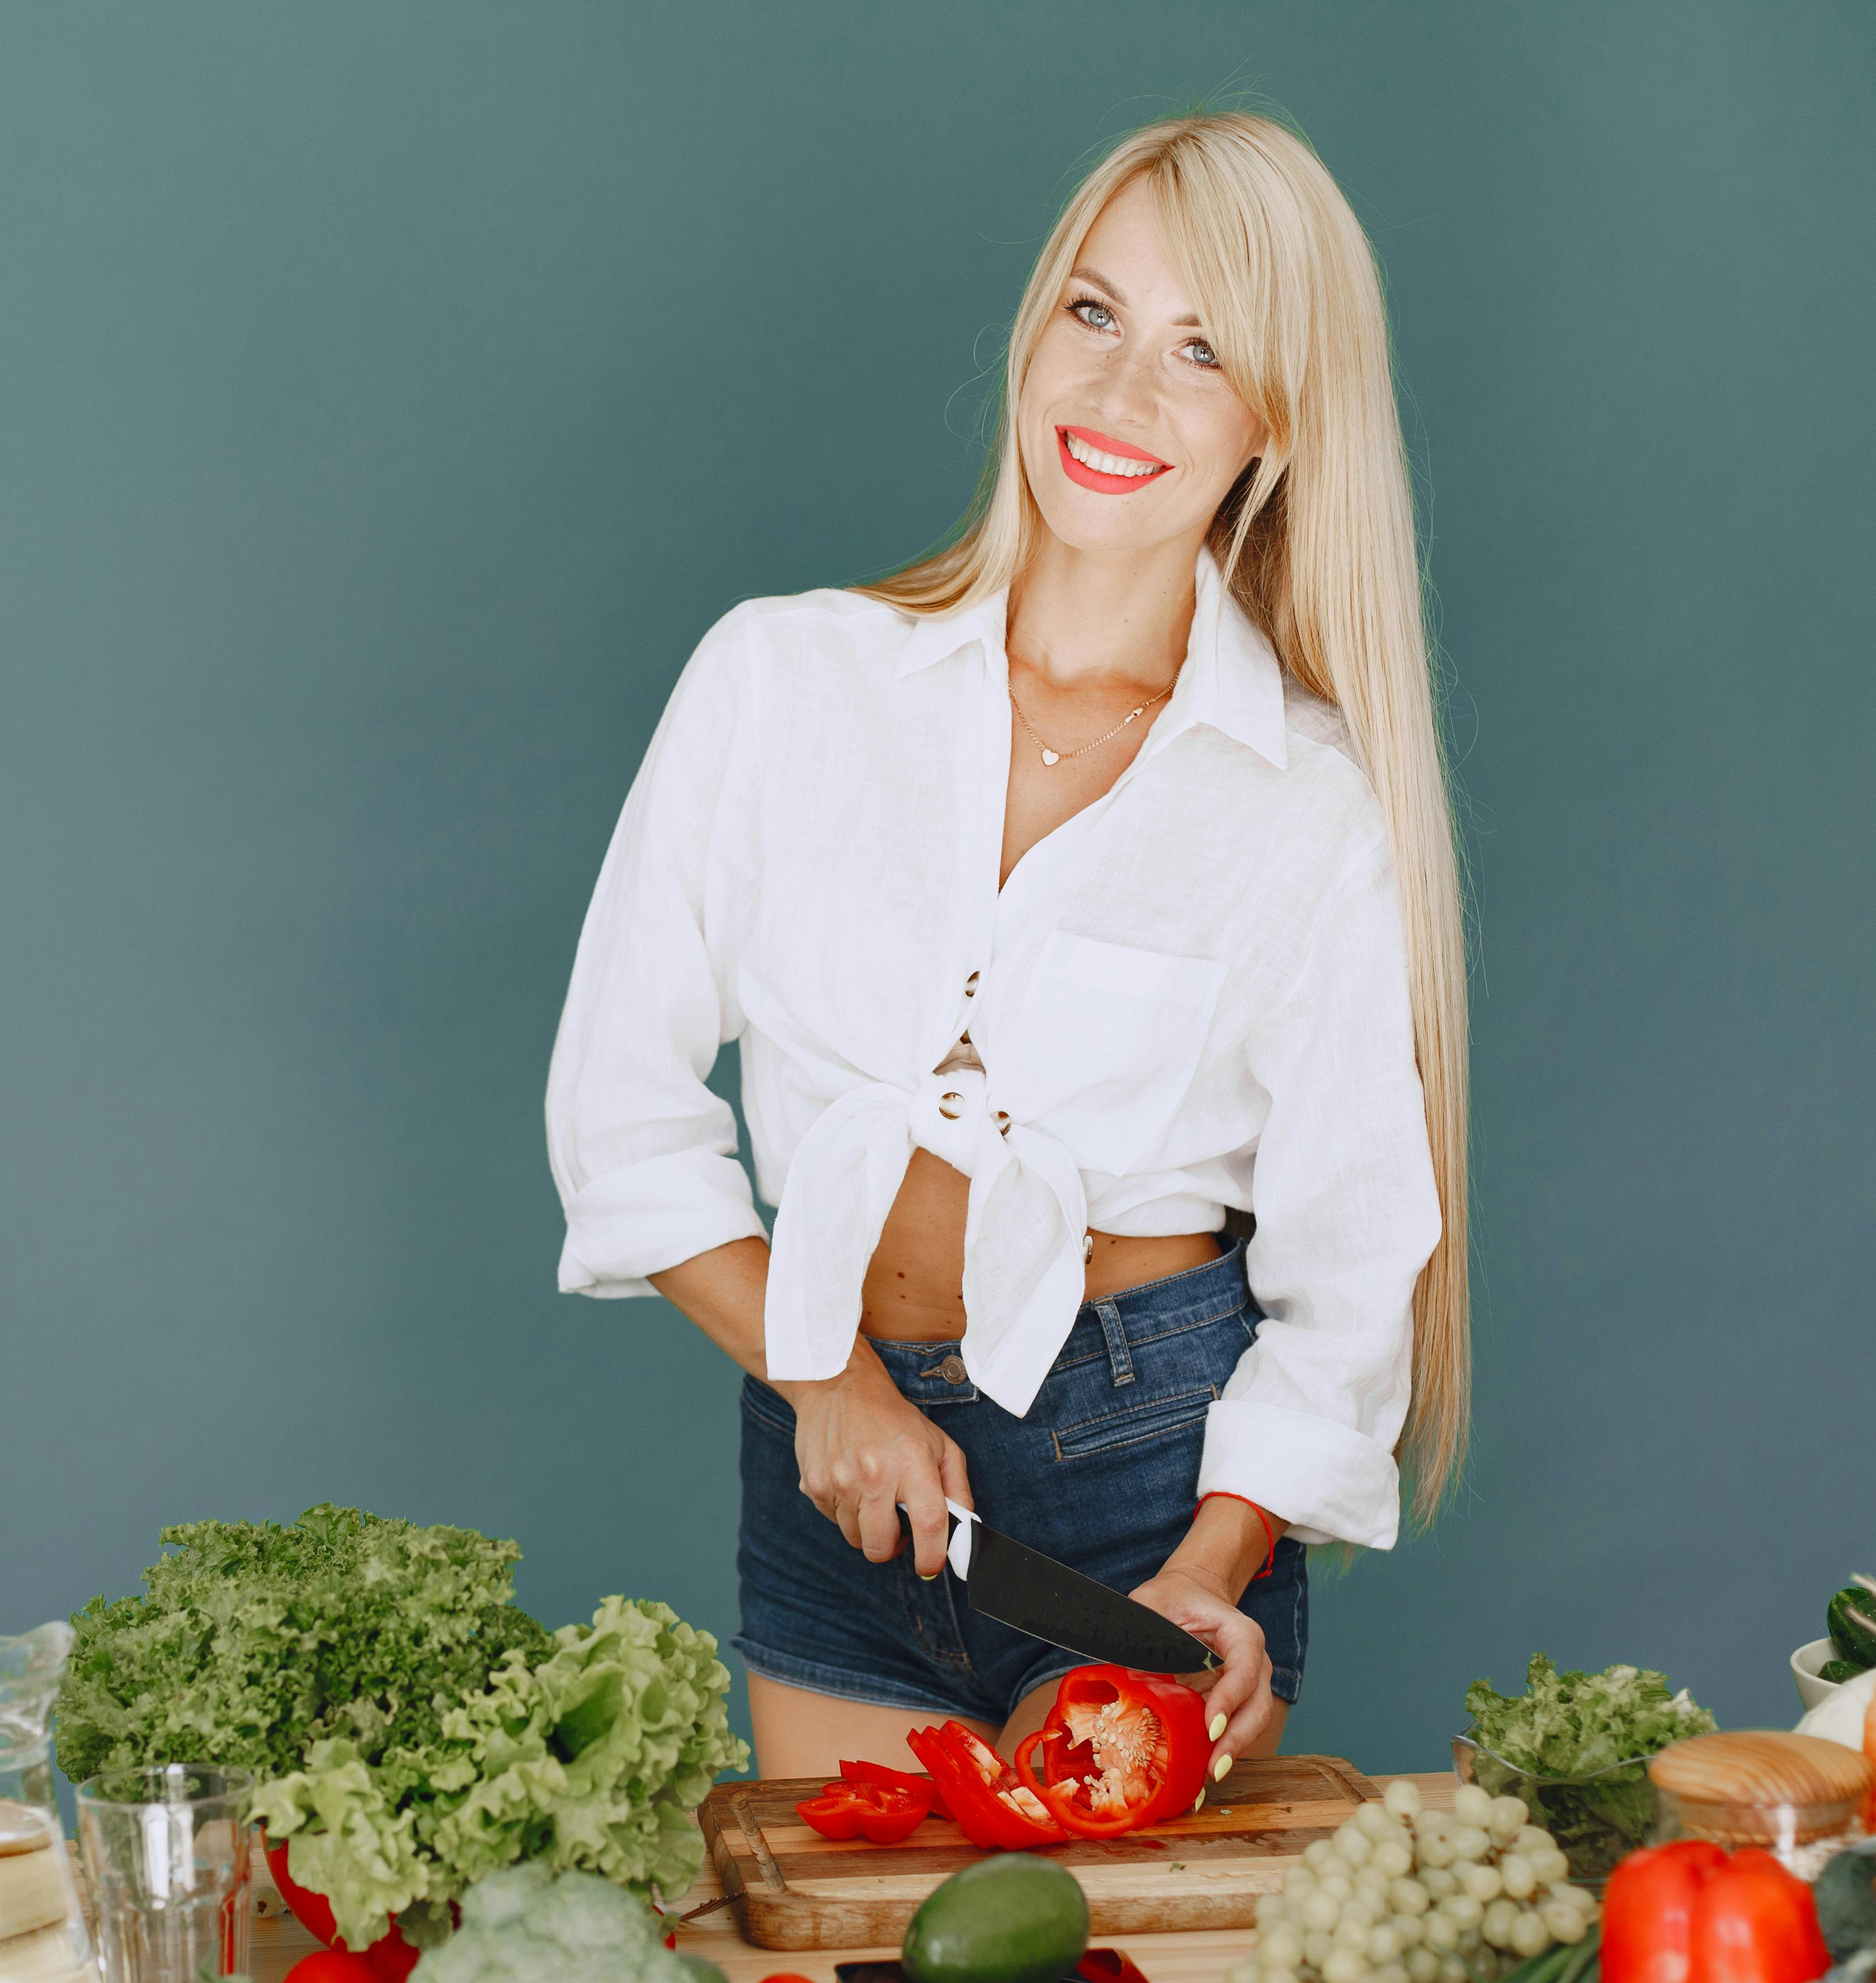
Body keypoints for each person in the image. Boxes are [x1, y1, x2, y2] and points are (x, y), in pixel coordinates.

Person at [544, 112, 1468, 1781]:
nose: (1121, 398)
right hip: (834, 1462)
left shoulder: (1306, 807)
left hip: (1147, 1485)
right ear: (1036, 331)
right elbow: (619, 1114)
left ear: (1274, 425)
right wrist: (824, 1372)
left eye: (1204, 353)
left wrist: (1203, 1579)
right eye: (1095, 315)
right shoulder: (780, 681)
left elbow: (1348, 1283)